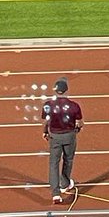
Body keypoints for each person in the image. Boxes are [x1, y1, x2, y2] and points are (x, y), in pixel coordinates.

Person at [41, 77, 83, 205]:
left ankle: (55, 193)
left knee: (54, 163)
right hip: (69, 135)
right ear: (66, 90)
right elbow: (79, 122)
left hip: (55, 136)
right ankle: (65, 183)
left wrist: (45, 132)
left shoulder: (48, 105)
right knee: (68, 159)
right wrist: (78, 129)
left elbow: (46, 121)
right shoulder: (74, 106)